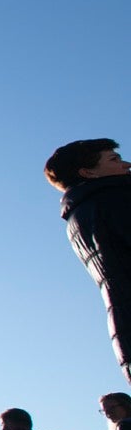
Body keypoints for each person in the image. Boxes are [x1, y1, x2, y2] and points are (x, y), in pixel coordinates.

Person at [45, 138, 131, 383]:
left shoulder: (81, 213)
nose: (127, 165)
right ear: (88, 172)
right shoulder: (115, 200)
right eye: (114, 160)